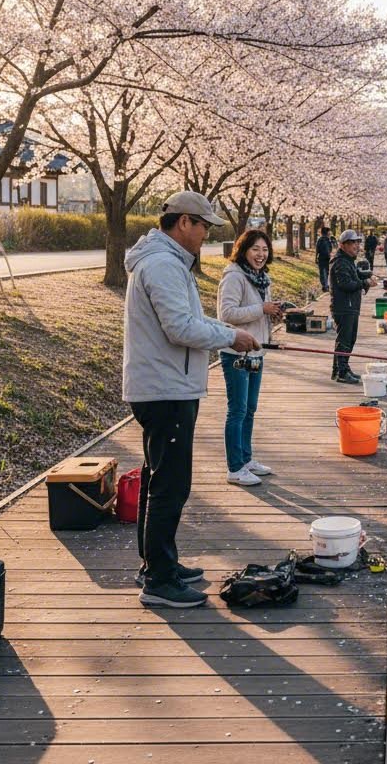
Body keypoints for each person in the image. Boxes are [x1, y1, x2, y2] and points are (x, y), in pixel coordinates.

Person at [123, 191, 260, 609]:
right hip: (165, 389)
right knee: (171, 484)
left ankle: (158, 564)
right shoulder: (163, 264)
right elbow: (180, 328)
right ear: (184, 223)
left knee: (158, 478)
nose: (206, 235)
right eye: (204, 227)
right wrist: (231, 336)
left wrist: (220, 331)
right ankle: (159, 582)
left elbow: (189, 321)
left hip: (166, 386)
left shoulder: (166, 261)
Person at [217, 229, 284, 487]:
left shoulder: (261, 278)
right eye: (255, 249)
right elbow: (227, 313)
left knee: (250, 409)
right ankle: (234, 467)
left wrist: (273, 314)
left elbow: (257, 313)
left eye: (265, 250)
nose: (261, 254)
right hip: (236, 353)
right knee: (238, 410)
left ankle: (246, 459)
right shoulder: (234, 276)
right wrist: (261, 309)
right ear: (243, 249)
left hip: (257, 351)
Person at [330, 229, 377, 383]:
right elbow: (346, 284)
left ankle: (340, 370)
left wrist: (367, 275)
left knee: (349, 339)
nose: (356, 245)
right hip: (344, 307)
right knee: (345, 340)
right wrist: (365, 283)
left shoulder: (347, 261)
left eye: (358, 242)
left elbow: (353, 274)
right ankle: (342, 372)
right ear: (343, 245)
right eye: (353, 243)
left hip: (350, 306)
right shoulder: (340, 263)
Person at [315, 226, 333, 293]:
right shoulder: (328, 240)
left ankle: (324, 285)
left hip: (321, 258)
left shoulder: (320, 240)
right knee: (326, 271)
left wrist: (316, 258)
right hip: (327, 258)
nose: (329, 233)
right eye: (328, 232)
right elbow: (330, 249)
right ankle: (325, 285)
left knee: (322, 272)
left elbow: (317, 250)